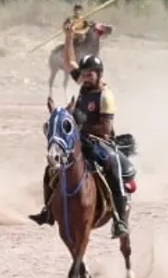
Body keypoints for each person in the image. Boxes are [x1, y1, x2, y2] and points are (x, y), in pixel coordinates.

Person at [29, 22, 131, 238]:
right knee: (52, 167)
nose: (85, 76)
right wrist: (68, 36)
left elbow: (105, 129)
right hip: (78, 138)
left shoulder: (105, 95)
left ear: (98, 74)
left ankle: (120, 219)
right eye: (84, 73)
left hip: (99, 142)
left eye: (90, 74)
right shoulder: (84, 85)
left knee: (113, 168)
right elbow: (68, 62)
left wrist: (79, 128)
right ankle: (48, 211)